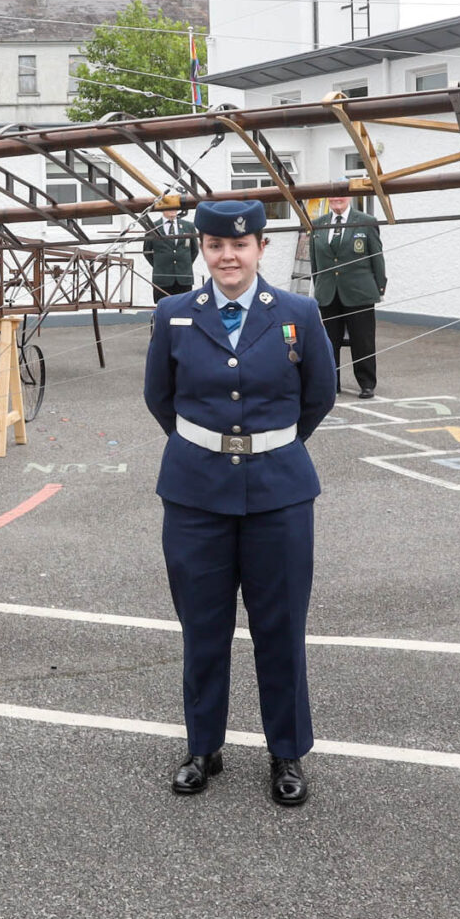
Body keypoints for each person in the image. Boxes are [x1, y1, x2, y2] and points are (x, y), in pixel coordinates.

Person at [143, 199, 338, 806]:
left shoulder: (299, 314)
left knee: (280, 628)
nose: (228, 256)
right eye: (215, 245)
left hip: (279, 495)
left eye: (241, 244)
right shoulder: (174, 314)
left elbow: (319, 397)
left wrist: (265, 450)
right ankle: (204, 747)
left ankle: (286, 752)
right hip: (195, 495)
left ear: (261, 247)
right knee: (203, 626)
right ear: (202, 248)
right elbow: (160, 398)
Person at [306, 193, 386, 399]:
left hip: (359, 292)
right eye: (332, 196)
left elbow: (376, 255)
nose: (336, 199)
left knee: (363, 340)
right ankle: (332, 384)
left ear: (349, 197)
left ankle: (367, 384)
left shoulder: (366, 222)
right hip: (328, 292)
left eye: (341, 195)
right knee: (328, 343)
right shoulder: (316, 224)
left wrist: (380, 286)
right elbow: (315, 262)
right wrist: (319, 288)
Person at [143, 207, 197, 300]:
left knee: (185, 309)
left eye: (175, 207)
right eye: (169, 207)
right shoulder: (153, 227)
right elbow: (147, 251)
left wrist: (184, 265)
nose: (173, 209)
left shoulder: (189, 226)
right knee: (164, 309)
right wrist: (159, 265)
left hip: (184, 279)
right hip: (162, 280)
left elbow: (194, 250)